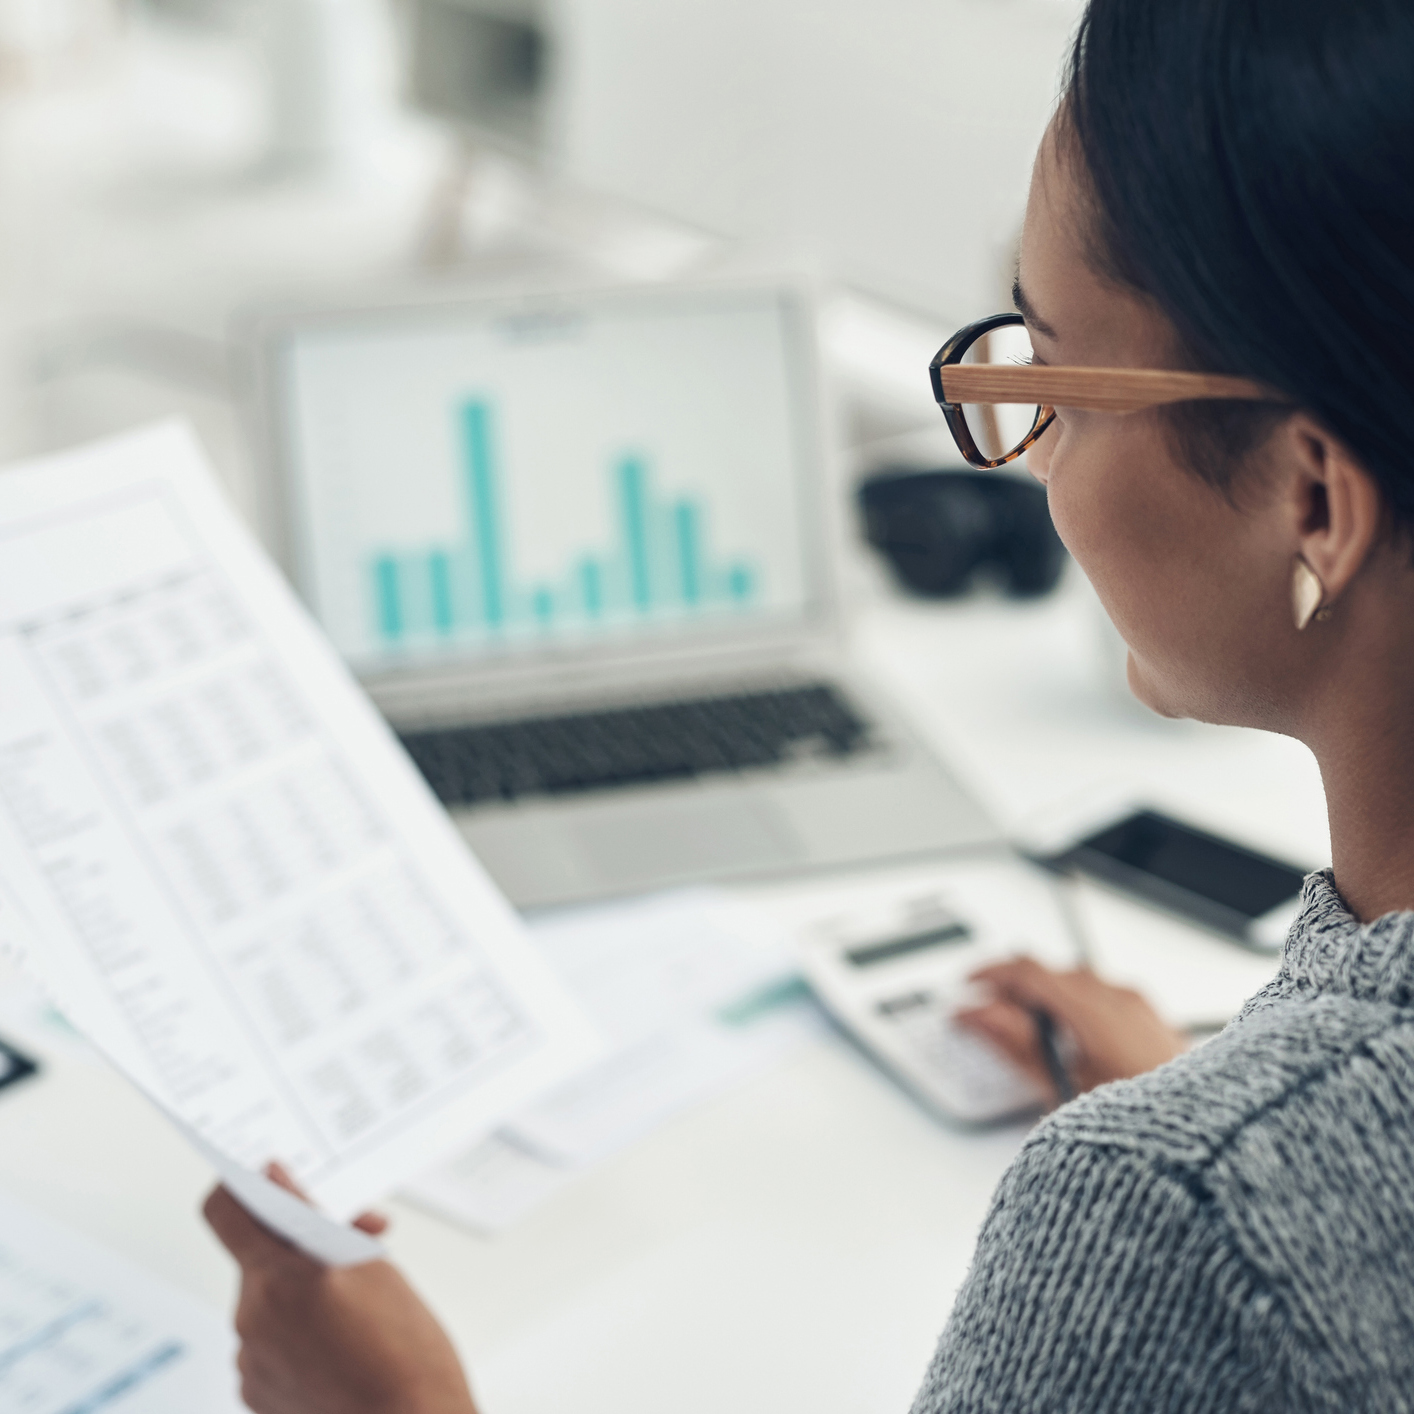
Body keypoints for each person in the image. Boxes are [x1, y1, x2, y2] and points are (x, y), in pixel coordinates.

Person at [204, 0, 1414, 1407]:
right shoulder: (1221, 1189)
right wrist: (1242, 1114)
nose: (1029, 460)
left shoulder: (1169, 1215)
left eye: (1055, 378)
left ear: (1311, 499)